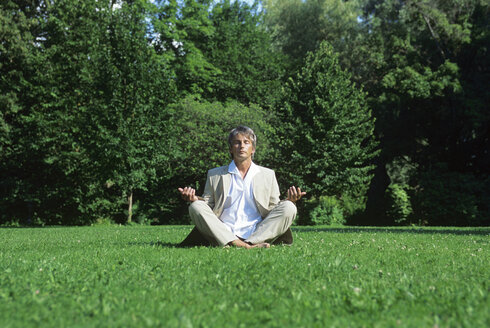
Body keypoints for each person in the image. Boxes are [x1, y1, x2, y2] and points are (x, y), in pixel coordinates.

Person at [178, 126, 305, 249]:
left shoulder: (268, 174)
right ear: (231, 149)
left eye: (246, 142)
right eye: (237, 143)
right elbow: (208, 205)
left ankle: (251, 242)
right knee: (195, 206)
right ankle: (241, 245)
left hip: (258, 230)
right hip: (224, 230)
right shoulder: (215, 174)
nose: (242, 146)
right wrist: (195, 199)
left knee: (289, 207)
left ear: (253, 149)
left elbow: (273, 208)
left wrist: (290, 201)